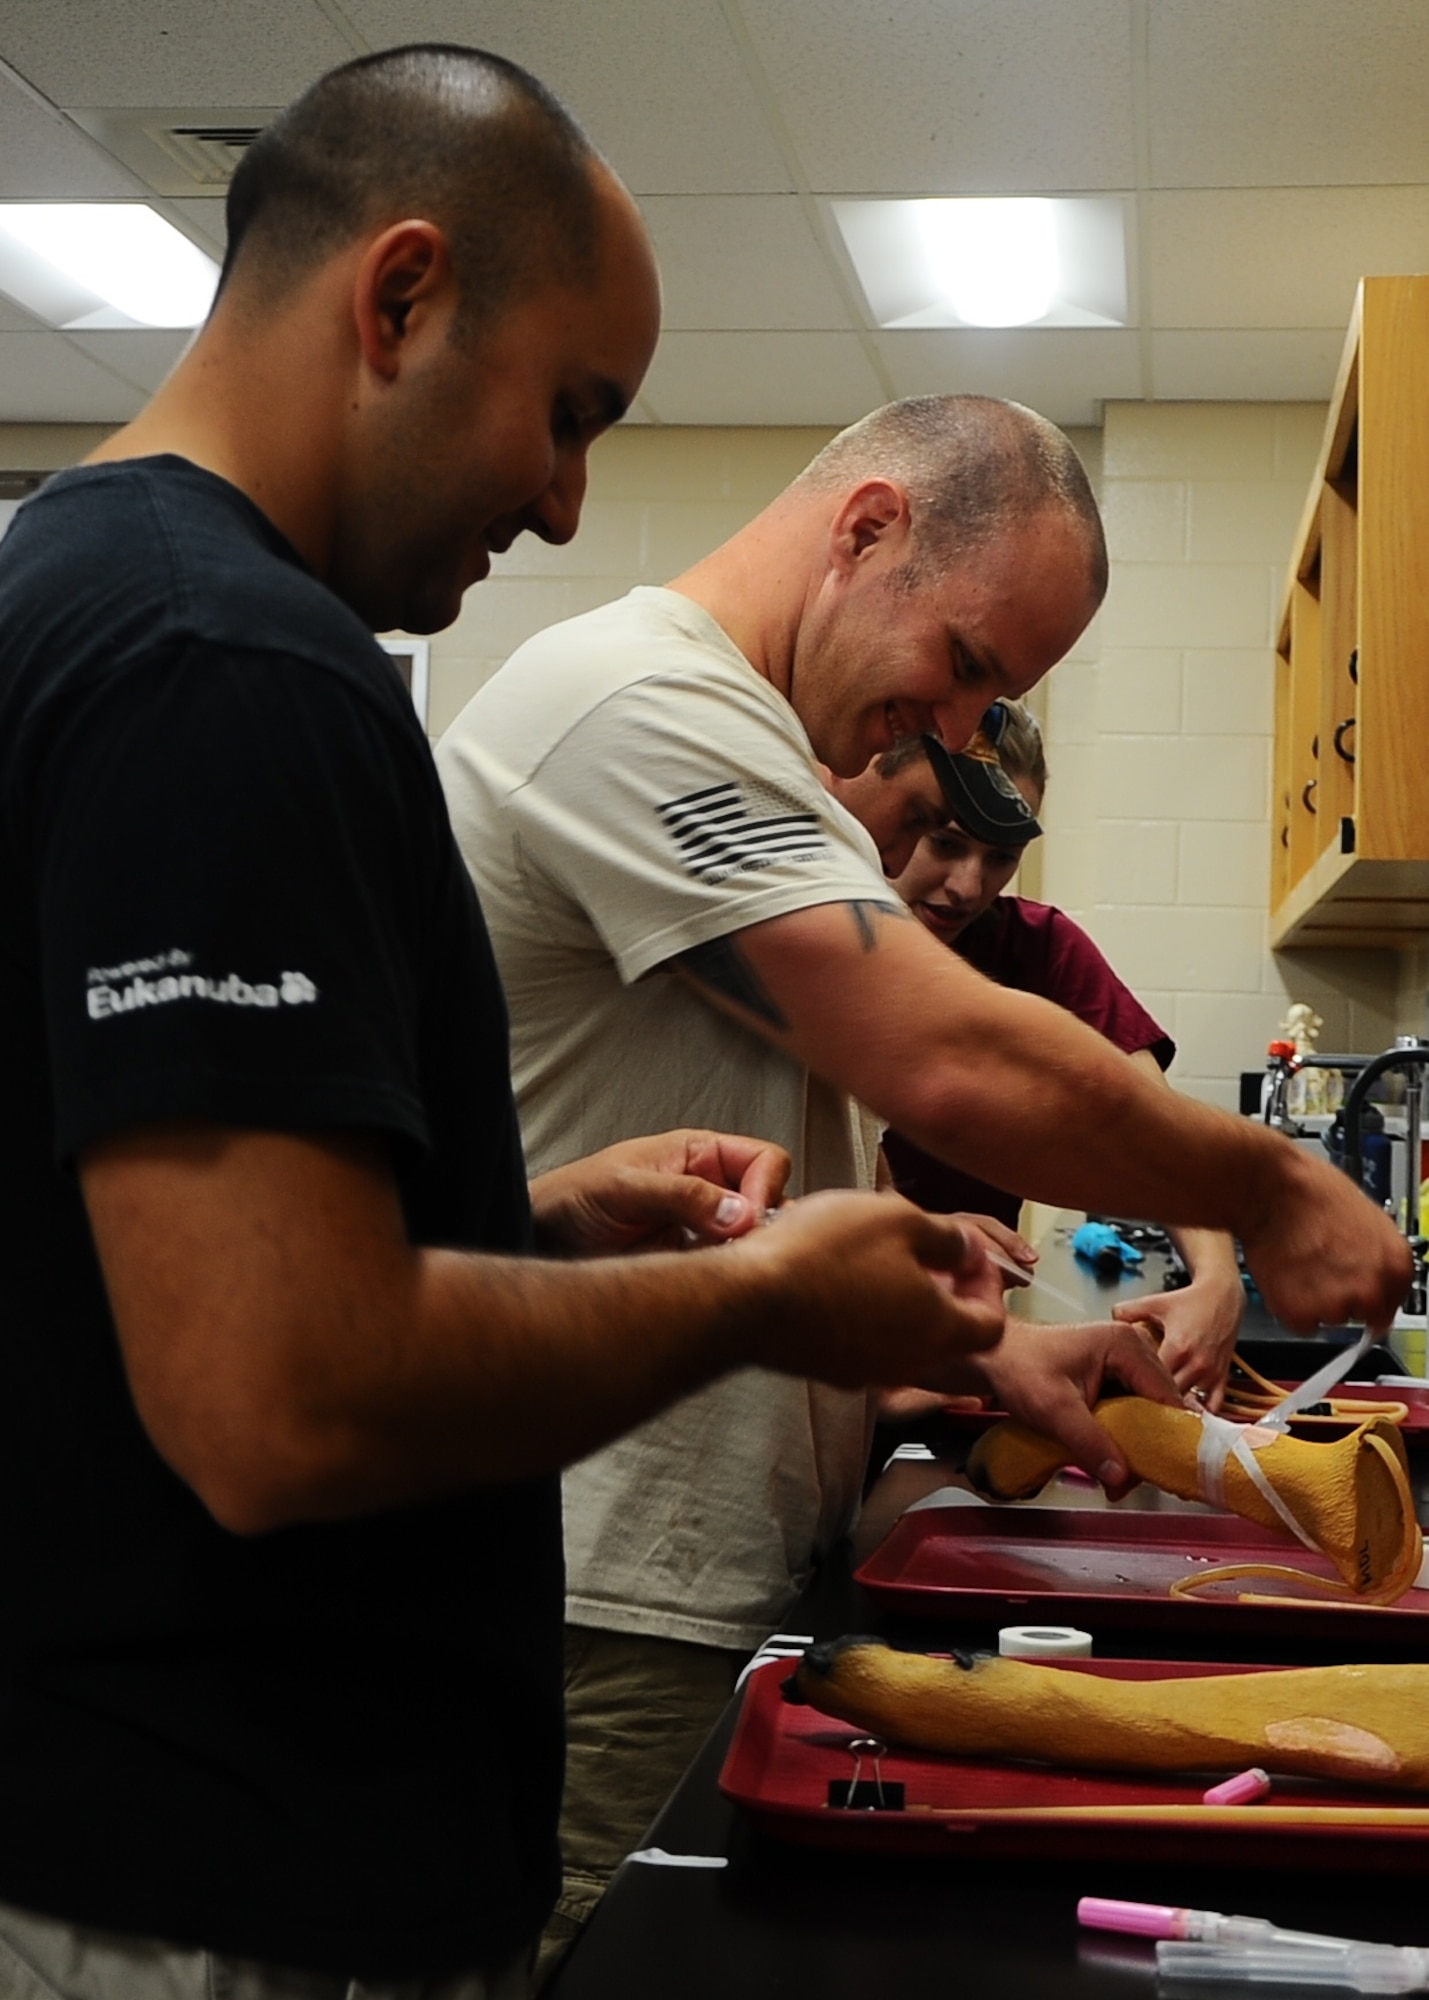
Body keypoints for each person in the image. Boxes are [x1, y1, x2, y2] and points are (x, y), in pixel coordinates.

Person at [0, 47, 1047, 2000]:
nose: (567, 508)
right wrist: (754, 1296)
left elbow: (126, 1264)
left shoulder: (80, 586)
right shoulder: (228, 666)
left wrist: (536, 1220)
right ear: (397, 297)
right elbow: (278, 1399)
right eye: (566, 417)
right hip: (206, 1872)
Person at [435, 394, 1409, 1964]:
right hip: (595, 1574)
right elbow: (950, 1063)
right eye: (963, 665)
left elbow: (772, 1181)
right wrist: (1273, 1187)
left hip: (680, 1558)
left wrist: (994, 1354)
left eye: (990, 701)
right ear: (867, 527)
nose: (954, 734)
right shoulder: (641, 703)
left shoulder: (766, 756)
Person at [833, 708, 1246, 1405]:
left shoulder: (1039, 948)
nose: (969, 885)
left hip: (958, 1363)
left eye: (1001, 856)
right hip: (832, 1351)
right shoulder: (818, 943)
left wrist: (1216, 1278)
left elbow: (1158, 1131)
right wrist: (908, 1232)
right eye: (945, 842)